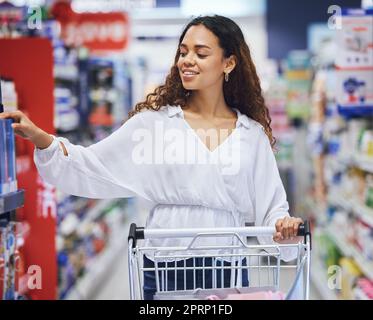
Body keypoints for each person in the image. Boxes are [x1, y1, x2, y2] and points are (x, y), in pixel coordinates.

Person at [0, 15, 303, 299]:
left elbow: (271, 209)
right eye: (183, 52)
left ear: (229, 63)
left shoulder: (250, 135)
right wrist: (44, 140)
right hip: (163, 264)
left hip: (229, 268)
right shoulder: (155, 124)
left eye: (200, 53)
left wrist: (284, 227)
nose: (187, 60)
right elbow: (92, 166)